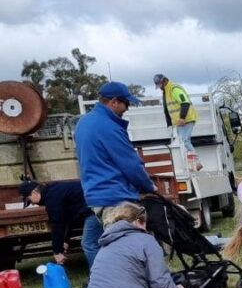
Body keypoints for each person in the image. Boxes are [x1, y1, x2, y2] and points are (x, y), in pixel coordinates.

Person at [75, 80, 156, 266]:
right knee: (128, 254)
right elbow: (130, 164)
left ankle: (104, 282)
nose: (126, 108)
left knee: (96, 244)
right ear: (114, 102)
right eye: (126, 103)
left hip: (96, 197)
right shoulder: (109, 127)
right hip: (115, 197)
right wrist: (148, 185)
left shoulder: (83, 123)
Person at [19, 178, 96, 268]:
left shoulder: (52, 198)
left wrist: (57, 251)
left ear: (34, 193)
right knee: (95, 243)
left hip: (95, 209)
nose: (32, 204)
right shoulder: (52, 191)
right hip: (94, 207)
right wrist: (65, 240)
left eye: (30, 200)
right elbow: (67, 218)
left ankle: (99, 278)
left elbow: (57, 224)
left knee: (89, 244)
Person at [153, 73, 201, 169]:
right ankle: (191, 164)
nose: (160, 87)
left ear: (164, 81)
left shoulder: (174, 89)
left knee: (184, 141)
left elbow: (185, 102)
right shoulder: (166, 91)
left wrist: (182, 117)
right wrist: (169, 125)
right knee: (181, 143)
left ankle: (196, 163)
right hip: (180, 122)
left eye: (160, 85)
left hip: (186, 119)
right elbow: (167, 109)